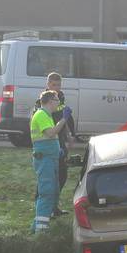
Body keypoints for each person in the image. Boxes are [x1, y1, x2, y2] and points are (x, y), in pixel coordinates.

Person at [34, 72, 76, 217]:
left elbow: (66, 118)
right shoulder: (43, 100)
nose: (57, 88)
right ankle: (41, 206)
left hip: (60, 141)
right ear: (48, 84)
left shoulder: (60, 98)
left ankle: (54, 207)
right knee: (47, 178)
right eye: (53, 85)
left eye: (58, 85)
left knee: (62, 175)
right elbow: (49, 126)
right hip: (48, 143)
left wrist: (70, 135)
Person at [30, 90, 71, 234]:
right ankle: (41, 231)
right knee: (46, 192)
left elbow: (49, 138)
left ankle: (37, 226)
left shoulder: (46, 115)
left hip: (50, 158)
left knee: (52, 191)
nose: (58, 102)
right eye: (56, 100)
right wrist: (64, 119)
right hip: (45, 159)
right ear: (49, 101)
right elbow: (51, 133)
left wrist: (57, 150)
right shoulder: (41, 115)